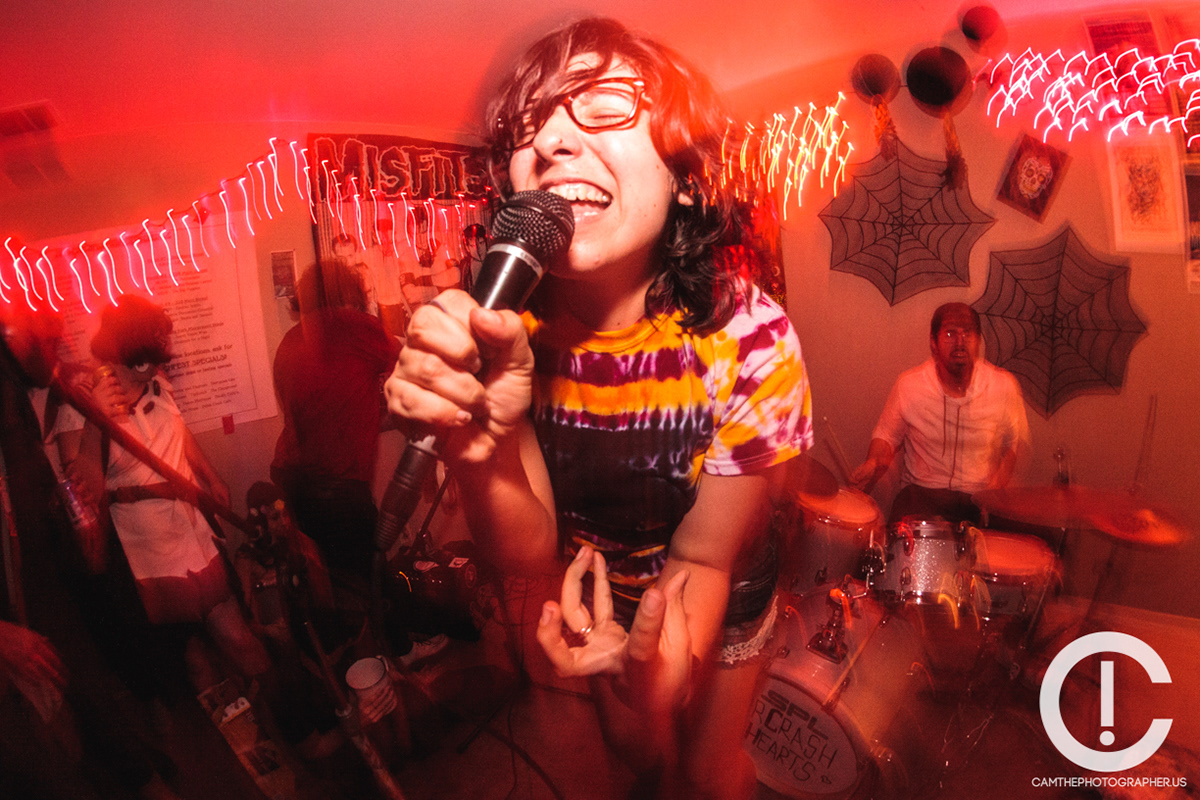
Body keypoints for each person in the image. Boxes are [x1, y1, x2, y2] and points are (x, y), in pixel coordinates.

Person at [384, 17, 812, 799]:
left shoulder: (749, 337)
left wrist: (666, 672)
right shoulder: (508, 329)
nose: (550, 141)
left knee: (705, 776)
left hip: (718, 582)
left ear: (685, 178)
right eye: (527, 129)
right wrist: (481, 449)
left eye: (606, 106)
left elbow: (703, 560)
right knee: (632, 760)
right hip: (595, 582)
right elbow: (526, 553)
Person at [0, 301, 179, 800]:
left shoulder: (29, 388)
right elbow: (77, 470)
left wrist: (72, 517)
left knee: (88, 678)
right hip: (21, 592)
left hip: (45, 565)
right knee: (35, 746)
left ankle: (142, 769)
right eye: (44, 341)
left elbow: (40, 479)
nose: (54, 348)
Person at [76, 295, 271, 687]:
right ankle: (233, 722)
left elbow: (179, 433)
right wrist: (96, 419)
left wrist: (211, 477)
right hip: (149, 555)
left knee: (238, 639)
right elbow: (86, 495)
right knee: (194, 663)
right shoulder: (82, 404)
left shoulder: (157, 386)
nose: (159, 359)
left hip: (192, 531)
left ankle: (282, 710)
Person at [851, 302, 1030, 525]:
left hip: (977, 499)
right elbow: (886, 437)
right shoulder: (910, 385)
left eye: (968, 333)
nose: (960, 342)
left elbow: (1014, 443)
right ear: (933, 342)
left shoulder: (1003, 386)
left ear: (978, 341)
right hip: (921, 495)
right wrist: (873, 462)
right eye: (950, 333)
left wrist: (997, 487)